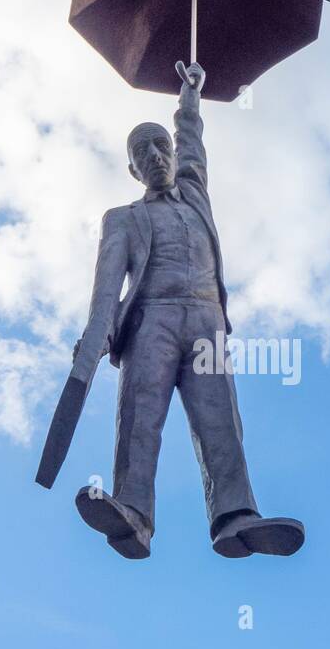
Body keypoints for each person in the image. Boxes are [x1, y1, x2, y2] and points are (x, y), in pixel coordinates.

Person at [69, 60, 305, 561]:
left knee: (221, 422)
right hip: (150, 321)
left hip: (205, 322)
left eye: (161, 147)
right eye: (142, 153)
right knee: (140, 418)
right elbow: (106, 288)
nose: (155, 156)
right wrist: (95, 338)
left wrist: (189, 99)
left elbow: (194, 140)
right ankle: (133, 512)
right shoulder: (123, 219)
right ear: (133, 170)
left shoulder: (195, 193)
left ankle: (235, 517)